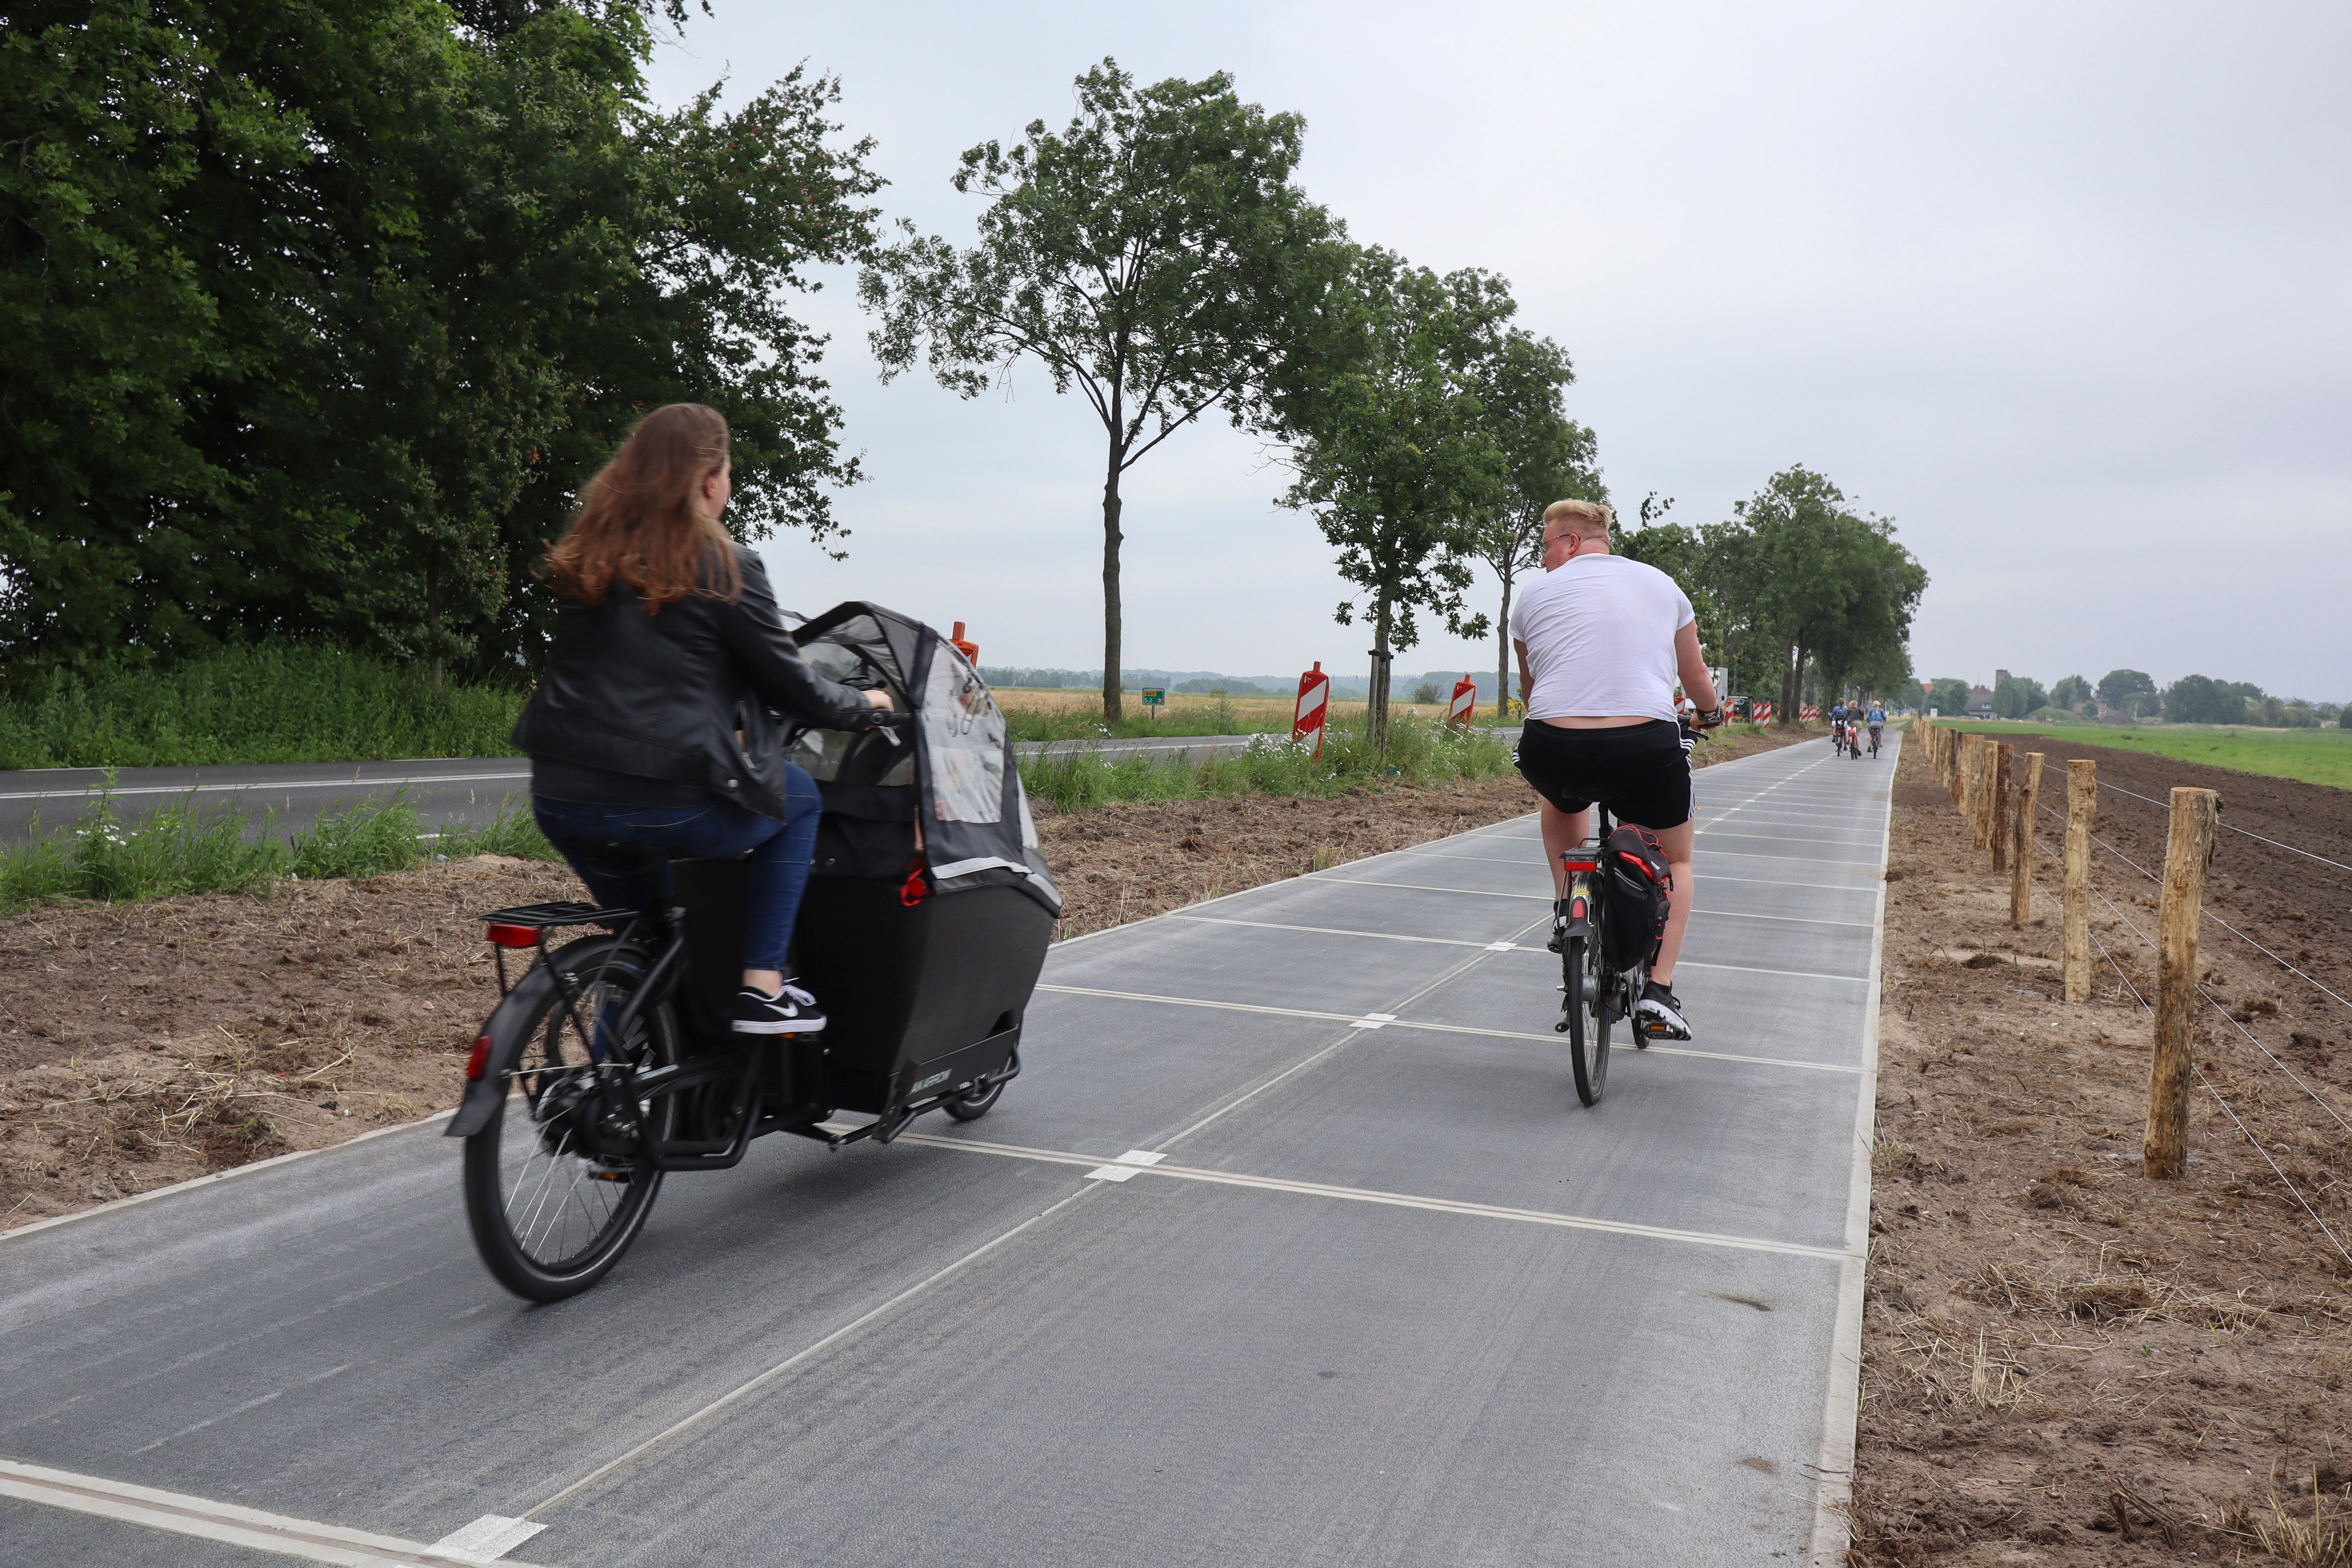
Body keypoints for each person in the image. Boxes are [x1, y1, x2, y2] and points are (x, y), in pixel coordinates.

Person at [512, 403, 896, 1035]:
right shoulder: (725, 566)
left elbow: (636, 678)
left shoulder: (589, 554)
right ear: (710, 481)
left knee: (646, 945)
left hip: (561, 795)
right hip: (665, 800)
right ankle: (764, 986)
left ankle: (612, 1087)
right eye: (727, 474)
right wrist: (867, 705)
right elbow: (796, 688)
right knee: (796, 798)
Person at [1512, 499, 1722, 1040]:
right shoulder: (1663, 586)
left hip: (1552, 744)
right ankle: (1660, 989)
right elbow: (1694, 673)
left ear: (1574, 541)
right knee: (1678, 860)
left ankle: (1568, 903)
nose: (1542, 560)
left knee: (1562, 801)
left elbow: (1533, 692)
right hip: (1644, 747)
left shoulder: (1530, 599)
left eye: (1546, 547)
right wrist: (1712, 711)